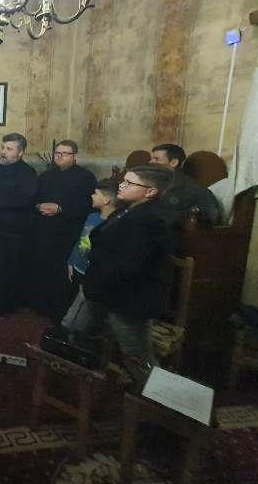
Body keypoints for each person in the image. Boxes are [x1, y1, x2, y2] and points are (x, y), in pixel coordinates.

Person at [64, 165, 174, 366]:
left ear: (150, 191)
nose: (121, 185)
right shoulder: (127, 209)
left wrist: (94, 283)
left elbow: (126, 266)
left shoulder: (150, 221)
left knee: (137, 358)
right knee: (73, 330)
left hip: (126, 299)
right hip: (102, 288)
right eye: (124, 181)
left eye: (129, 183)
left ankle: (150, 387)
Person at [26, 140, 97, 321]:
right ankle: (39, 303)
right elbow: (32, 198)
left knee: (62, 272)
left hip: (68, 231)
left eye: (64, 153)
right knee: (42, 267)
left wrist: (60, 209)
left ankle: (58, 308)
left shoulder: (86, 177)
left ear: (75, 156)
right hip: (43, 229)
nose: (59, 156)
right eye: (57, 153)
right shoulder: (46, 176)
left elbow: (87, 204)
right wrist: (39, 205)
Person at [0, 133, 37, 313]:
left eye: (9, 149)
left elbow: (26, 200)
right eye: (3, 148)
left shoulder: (28, 173)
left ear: (20, 153)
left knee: (10, 269)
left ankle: (7, 306)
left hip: (14, 231)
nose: (3, 152)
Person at [61, 179, 120, 332]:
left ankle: (72, 333)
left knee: (84, 309)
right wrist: (71, 261)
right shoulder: (92, 217)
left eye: (96, 193)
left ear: (106, 200)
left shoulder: (115, 225)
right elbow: (81, 241)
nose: (92, 196)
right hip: (78, 267)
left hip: (92, 274)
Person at [149, 143, 222, 226]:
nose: (151, 162)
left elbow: (211, 218)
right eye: (151, 159)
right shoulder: (151, 182)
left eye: (157, 159)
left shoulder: (194, 190)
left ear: (173, 162)